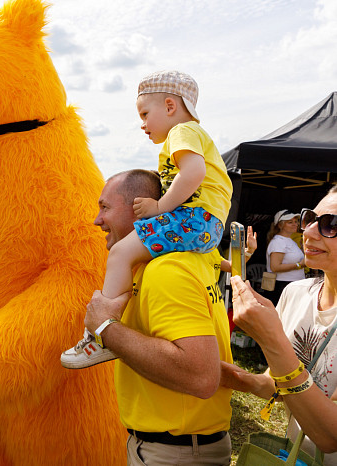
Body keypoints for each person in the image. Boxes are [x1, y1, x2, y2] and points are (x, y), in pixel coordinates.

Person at [62, 70, 232, 367]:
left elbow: (194, 174)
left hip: (195, 217)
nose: (142, 124)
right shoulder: (187, 136)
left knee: (119, 253)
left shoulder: (183, 131)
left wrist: (159, 206)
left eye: (144, 114)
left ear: (169, 106)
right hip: (206, 223)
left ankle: (101, 332)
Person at [65, 169, 233, 464]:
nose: (97, 220)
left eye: (105, 207)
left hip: (173, 452)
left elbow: (201, 376)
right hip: (175, 447)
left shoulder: (165, 272)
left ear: (138, 207)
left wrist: (105, 328)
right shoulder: (176, 261)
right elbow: (207, 359)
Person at [222, 186, 337, 464]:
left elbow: (330, 436)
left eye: (330, 224)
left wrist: (270, 339)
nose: (307, 232)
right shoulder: (296, 293)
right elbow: (278, 383)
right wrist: (234, 377)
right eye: (309, 218)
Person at [264, 209, 306, 304]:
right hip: (282, 286)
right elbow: (275, 267)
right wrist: (299, 265)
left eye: (295, 222)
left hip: (291, 285)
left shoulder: (289, 241)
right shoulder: (278, 241)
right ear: (280, 225)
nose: (295, 224)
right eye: (290, 222)